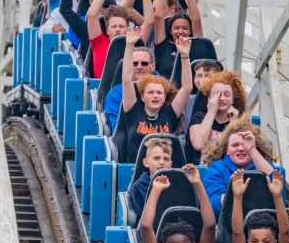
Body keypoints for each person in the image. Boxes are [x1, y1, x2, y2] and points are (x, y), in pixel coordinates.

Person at [119, 27, 193, 163]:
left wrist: (184, 55)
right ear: (142, 97)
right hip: (135, 172)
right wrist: (129, 45)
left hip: (162, 170)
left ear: (164, 97)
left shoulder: (169, 115)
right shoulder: (133, 112)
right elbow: (126, 79)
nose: (155, 96)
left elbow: (187, 87)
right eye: (151, 92)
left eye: (159, 93)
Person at [86, 0, 153, 78]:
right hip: (104, 92)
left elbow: (149, 22)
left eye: (121, 26)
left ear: (127, 28)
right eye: (114, 26)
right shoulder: (99, 42)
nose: (117, 29)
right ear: (107, 30)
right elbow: (92, 15)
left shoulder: (136, 42)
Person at [202, 118, 276, 219]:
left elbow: (276, 182)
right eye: (235, 145)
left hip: (261, 221)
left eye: (245, 145)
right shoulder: (217, 168)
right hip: (228, 222)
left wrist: (252, 149)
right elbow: (214, 206)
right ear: (227, 150)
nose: (240, 149)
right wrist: (233, 193)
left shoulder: (262, 165)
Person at [153, 0, 204, 76]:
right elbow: (158, 16)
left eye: (185, 28)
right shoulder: (164, 45)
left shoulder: (195, 45)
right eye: (176, 28)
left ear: (190, 31)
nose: (180, 31)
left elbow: (196, 20)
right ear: (170, 31)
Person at [188, 71, 246, 158]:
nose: (222, 98)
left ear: (232, 100)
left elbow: (236, 152)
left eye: (226, 95)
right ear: (209, 98)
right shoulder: (199, 117)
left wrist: (233, 125)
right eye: (216, 94)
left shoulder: (239, 123)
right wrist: (211, 112)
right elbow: (198, 144)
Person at [104, 46, 157, 129]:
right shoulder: (116, 94)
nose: (139, 67)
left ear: (153, 66)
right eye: (134, 63)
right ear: (127, 66)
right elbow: (118, 132)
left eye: (144, 63)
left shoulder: (164, 91)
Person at [131, 136, 173, 219]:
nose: (162, 162)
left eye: (166, 159)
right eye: (156, 158)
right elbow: (143, 221)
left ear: (170, 164)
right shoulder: (138, 187)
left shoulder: (178, 184)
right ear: (146, 162)